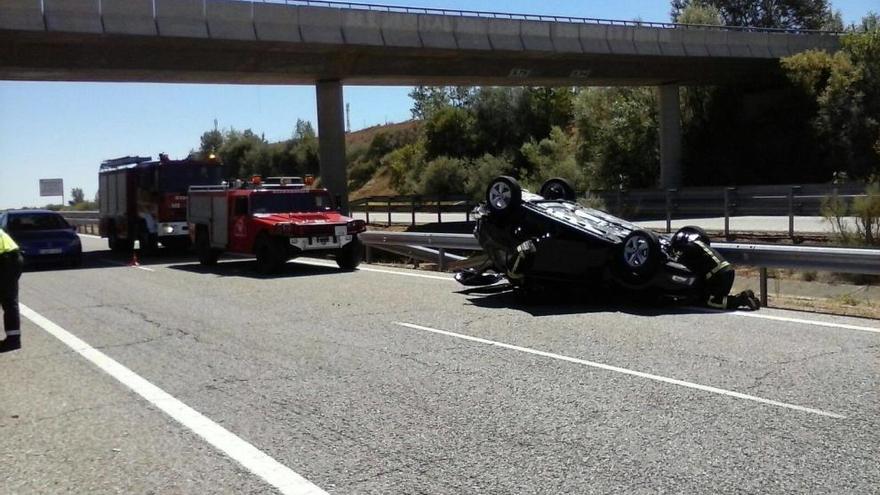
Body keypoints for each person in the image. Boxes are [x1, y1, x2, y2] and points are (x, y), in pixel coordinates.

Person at [673, 228, 760, 310]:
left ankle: (741, 301)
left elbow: (686, 269)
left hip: (718, 276)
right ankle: (745, 295)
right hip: (726, 271)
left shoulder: (689, 249)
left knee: (711, 301)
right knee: (717, 297)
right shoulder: (699, 244)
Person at [0, 226, 23, 352]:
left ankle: (13, 340)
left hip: (4, 261)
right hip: (13, 259)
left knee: (8, 301)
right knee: (9, 301)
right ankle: (13, 339)